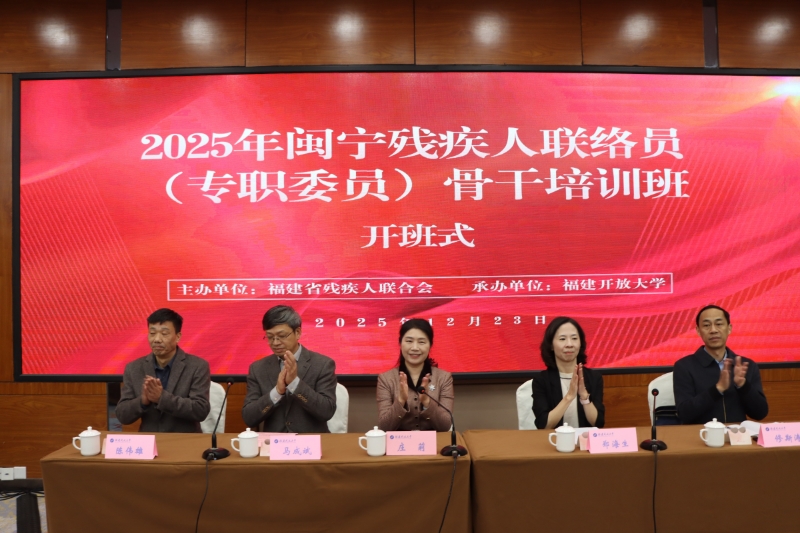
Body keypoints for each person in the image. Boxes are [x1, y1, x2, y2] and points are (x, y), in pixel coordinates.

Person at [242, 305, 337, 433]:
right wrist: (277, 392)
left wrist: (295, 384)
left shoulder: (322, 364)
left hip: (310, 441)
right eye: (270, 337)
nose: (275, 342)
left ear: (297, 332)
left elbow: (326, 411)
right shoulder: (258, 369)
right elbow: (249, 418)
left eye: (281, 336)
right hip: (274, 442)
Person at [116, 308, 210, 432]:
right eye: (152, 333)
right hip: (149, 441)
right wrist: (142, 402)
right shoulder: (134, 368)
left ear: (178, 337)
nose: (157, 339)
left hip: (184, 440)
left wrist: (162, 398)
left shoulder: (197, 366)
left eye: (164, 333)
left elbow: (201, 410)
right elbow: (122, 415)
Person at [673, 305, 768, 424]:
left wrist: (743, 385)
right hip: (699, 433)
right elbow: (684, 413)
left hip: (737, 434)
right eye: (706, 325)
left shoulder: (746, 366)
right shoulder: (684, 366)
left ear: (729, 328)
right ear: (698, 330)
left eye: (719, 324)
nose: (713, 330)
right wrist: (718, 389)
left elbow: (760, 413)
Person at [376, 318, 453, 431]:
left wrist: (427, 402)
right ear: (400, 343)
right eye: (409, 341)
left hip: (434, 441)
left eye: (421, 342)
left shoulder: (444, 378)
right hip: (399, 441)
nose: (415, 348)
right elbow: (384, 427)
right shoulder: (386, 379)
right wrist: (400, 400)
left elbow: (445, 426)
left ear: (430, 345)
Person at [532, 317, 605, 430]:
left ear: (580, 343)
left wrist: (584, 397)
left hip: (584, 439)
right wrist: (569, 397)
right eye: (562, 339)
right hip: (555, 439)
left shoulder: (594, 378)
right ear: (551, 345)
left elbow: (598, 423)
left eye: (574, 338)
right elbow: (543, 425)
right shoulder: (541, 380)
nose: (569, 344)